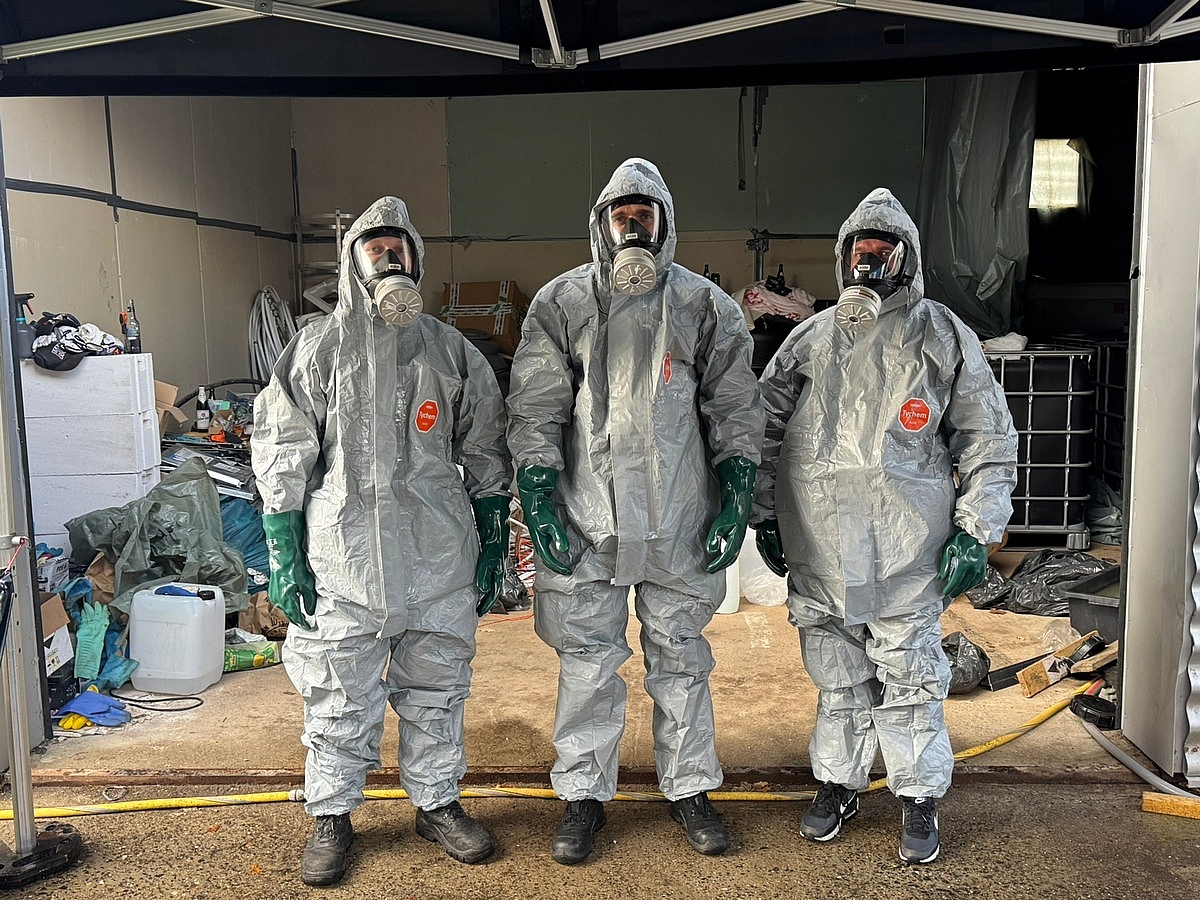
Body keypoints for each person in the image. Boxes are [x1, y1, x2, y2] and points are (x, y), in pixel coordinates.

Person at [506, 158, 764, 864]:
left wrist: (736, 498)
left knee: (681, 658)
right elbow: (535, 408)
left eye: (644, 217)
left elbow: (735, 407)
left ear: (665, 224)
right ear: (601, 225)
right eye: (621, 217)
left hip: (678, 517)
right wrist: (540, 502)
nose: (633, 230)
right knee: (588, 661)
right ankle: (583, 796)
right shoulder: (562, 303)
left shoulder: (705, 306)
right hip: (586, 516)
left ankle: (691, 788)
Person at [752, 187, 1017, 865]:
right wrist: (764, 514)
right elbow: (763, 430)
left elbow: (986, 437)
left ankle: (918, 794)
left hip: (907, 547)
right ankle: (839, 783)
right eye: (859, 252)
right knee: (838, 675)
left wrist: (975, 527)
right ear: (842, 258)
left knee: (911, 676)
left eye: (883, 253)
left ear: (908, 260)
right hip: (821, 543)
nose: (869, 265)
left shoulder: (942, 336)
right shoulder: (811, 339)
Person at [251, 196, 511, 886]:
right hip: (341, 560)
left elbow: (485, 451)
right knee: (337, 690)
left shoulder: (451, 351)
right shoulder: (317, 349)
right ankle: (332, 815)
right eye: (376, 250)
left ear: (417, 260)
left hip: (436, 556)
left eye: (399, 249)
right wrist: (284, 554)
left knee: (438, 687)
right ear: (352, 263)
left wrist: (493, 544)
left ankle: (437, 802)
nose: (389, 260)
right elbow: (282, 450)